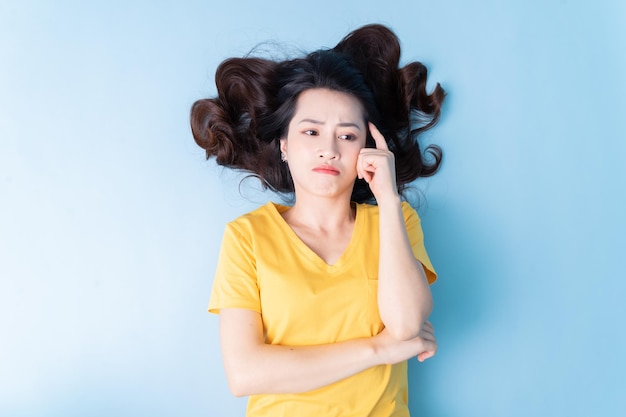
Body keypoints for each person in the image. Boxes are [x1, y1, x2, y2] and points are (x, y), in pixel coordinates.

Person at [190, 23, 445, 417]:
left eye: (347, 136)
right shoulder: (248, 237)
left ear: (368, 146)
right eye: (311, 131)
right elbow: (244, 373)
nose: (328, 150)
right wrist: (380, 349)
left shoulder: (396, 220)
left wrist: (389, 198)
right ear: (285, 145)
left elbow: (408, 323)